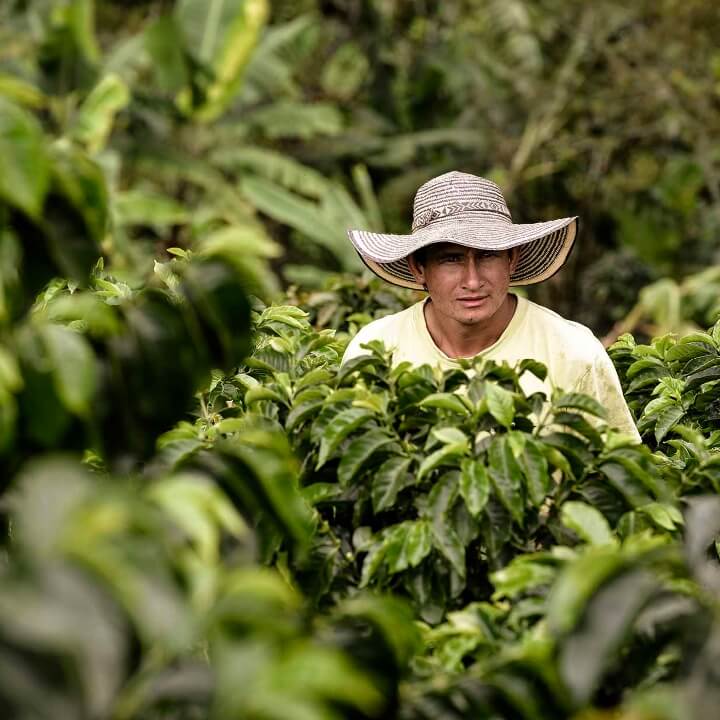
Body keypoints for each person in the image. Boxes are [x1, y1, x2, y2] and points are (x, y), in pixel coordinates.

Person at [342, 170, 640, 440]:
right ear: (419, 268)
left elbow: (618, 474)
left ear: (512, 260)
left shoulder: (573, 352)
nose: (472, 281)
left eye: (487, 255)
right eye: (451, 259)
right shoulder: (374, 350)